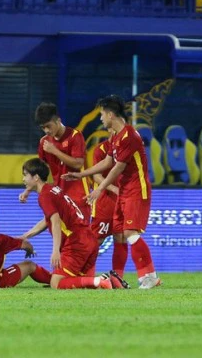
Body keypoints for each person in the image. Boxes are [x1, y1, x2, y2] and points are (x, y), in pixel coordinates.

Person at [62, 95, 161, 289]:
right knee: (123, 234)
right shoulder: (116, 136)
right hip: (125, 191)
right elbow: (107, 163)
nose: (100, 119)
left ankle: (149, 275)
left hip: (136, 190)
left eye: (101, 115)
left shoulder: (129, 136)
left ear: (110, 114)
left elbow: (117, 168)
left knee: (130, 233)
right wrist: (82, 175)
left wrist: (99, 189)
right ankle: (141, 276)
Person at [20, 158, 112, 290]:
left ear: (35, 178)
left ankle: (100, 280)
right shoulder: (53, 189)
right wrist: (26, 236)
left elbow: (56, 221)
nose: (23, 179)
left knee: (56, 283)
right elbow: (49, 219)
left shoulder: (44, 196)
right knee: (85, 285)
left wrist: (56, 251)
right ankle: (110, 280)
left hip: (77, 243)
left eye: (25, 175)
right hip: (89, 239)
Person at [19, 102, 90, 221]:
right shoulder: (44, 142)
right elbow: (40, 172)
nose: (46, 130)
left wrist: (55, 151)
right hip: (58, 195)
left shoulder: (75, 136)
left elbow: (78, 163)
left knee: (81, 234)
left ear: (58, 120)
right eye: (43, 127)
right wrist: (28, 190)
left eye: (48, 126)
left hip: (79, 196)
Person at [90, 129, 130, 288]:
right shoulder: (100, 150)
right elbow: (96, 176)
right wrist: (114, 189)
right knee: (96, 240)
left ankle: (117, 277)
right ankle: (86, 274)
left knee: (121, 238)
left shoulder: (127, 150)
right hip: (104, 202)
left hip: (123, 202)